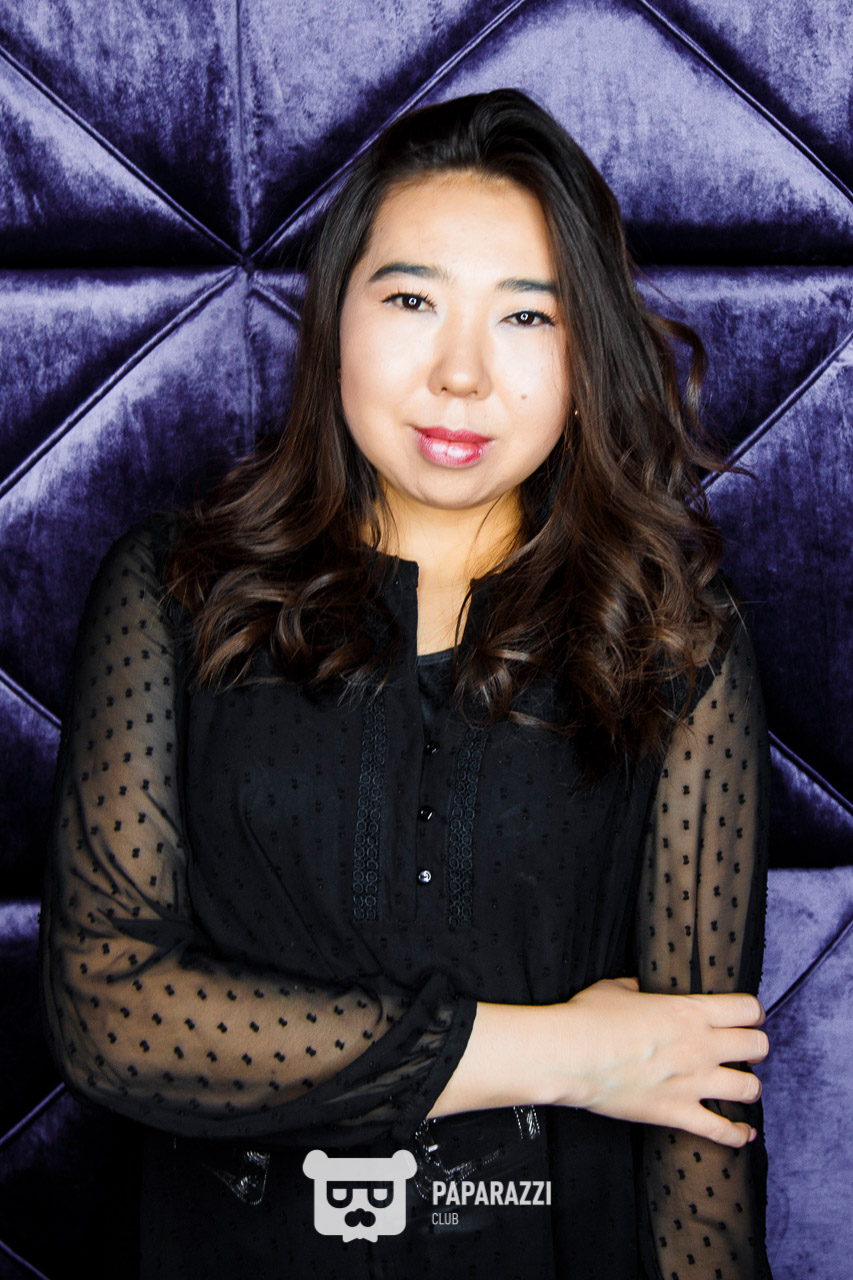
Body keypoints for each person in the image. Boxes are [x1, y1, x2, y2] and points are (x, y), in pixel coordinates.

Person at [38, 88, 772, 1279]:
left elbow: (697, 1098)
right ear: (337, 315)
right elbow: (110, 1013)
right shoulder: (176, 590)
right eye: (412, 299)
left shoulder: (676, 635)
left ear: (586, 355)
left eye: (526, 315)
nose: (461, 374)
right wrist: (572, 1054)